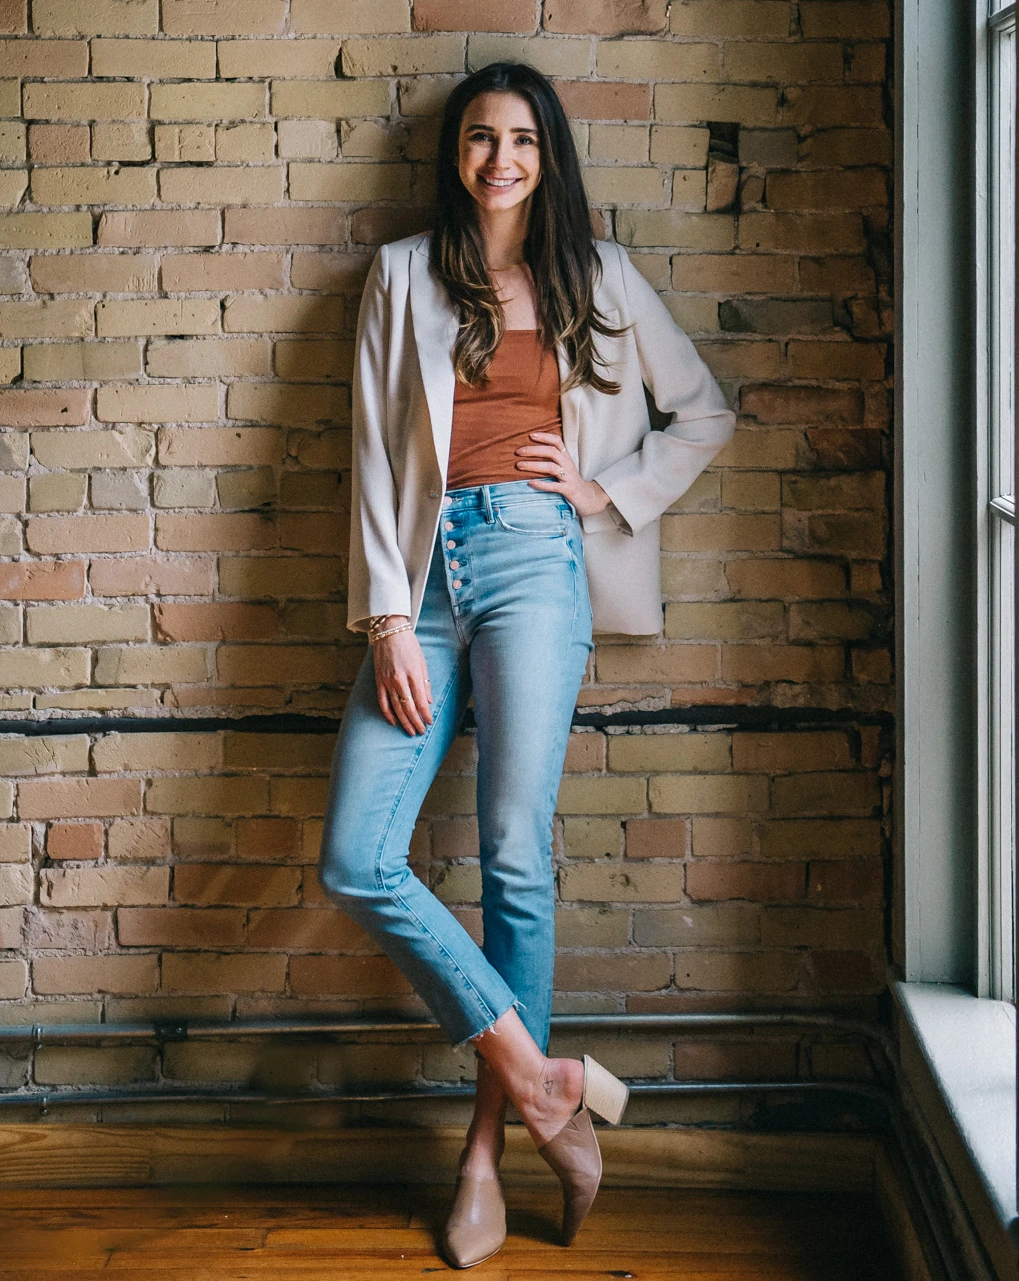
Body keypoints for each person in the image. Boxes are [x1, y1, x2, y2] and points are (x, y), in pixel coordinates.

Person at [317, 60, 736, 1269]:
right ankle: (550, 1084)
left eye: (521, 140)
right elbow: (364, 453)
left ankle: (487, 1159)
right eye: (478, 138)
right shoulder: (400, 275)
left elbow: (702, 414)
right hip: (421, 577)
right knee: (356, 856)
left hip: (534, 564)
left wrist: (606, 489)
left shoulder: (596, 278)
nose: (498, 159)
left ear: (547, 155)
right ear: (452, 153)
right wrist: (386, 621)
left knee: (513, 857)